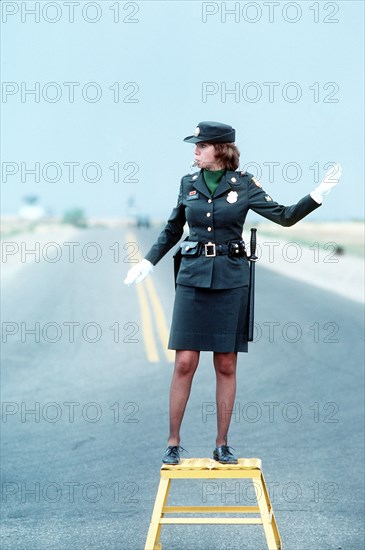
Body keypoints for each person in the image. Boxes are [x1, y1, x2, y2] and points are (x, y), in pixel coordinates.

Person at [124, 121, 341, 465]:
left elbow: (284, 217)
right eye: (195, 145)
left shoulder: (245, 184)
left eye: (201, 145)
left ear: (220, 150)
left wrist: (315, 197)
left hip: (230, 277)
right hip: (193, 276)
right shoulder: (188, 183)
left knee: (225, 363)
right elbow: (172, 228)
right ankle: (173, 442)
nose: (195, 150)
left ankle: (222, 443)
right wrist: (148, 262)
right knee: (184, 362)